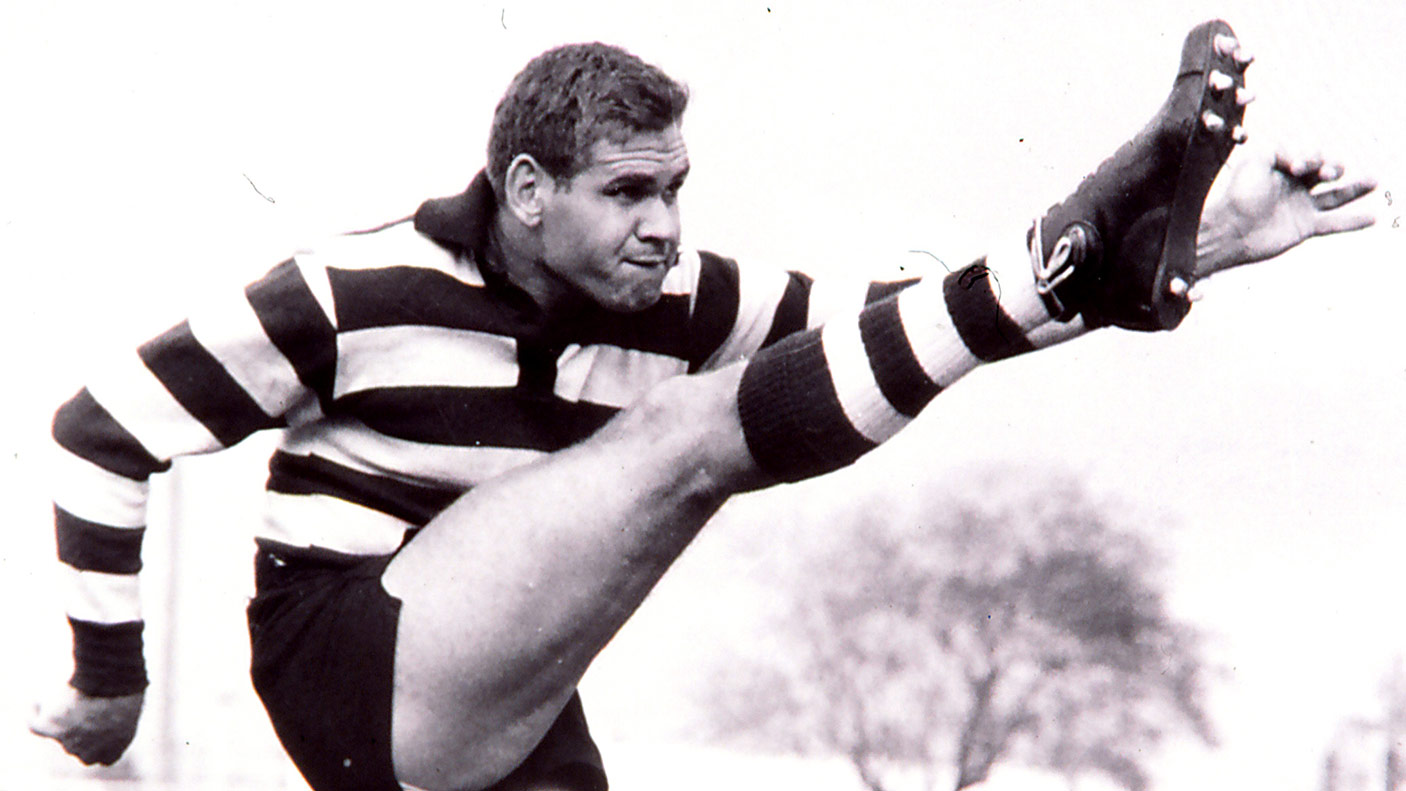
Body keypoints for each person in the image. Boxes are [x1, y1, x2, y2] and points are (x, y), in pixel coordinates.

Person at [30, 21, 1376, 791]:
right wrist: (108, 686)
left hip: (515, 711)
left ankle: (1095, 252)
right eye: (627, 194)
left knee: (798, 373)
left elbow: (907, 334)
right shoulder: (349, 290)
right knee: (692, 433)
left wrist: (1201, 255)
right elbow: (99, 434)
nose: (664, 228)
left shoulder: (680, 299)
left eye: (675, 189)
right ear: (524, 190)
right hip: (350, 667)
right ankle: (1068, 243)